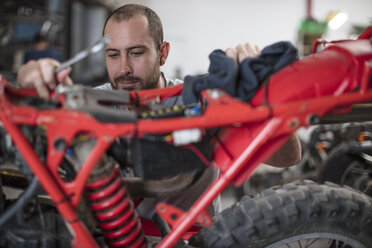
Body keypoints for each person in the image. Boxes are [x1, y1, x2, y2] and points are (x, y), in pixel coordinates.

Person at [17, 4, 301, 219]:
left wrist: (260, 95)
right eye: (113, 55)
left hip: (191, 239)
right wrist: (30, 79)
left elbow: (289, 157)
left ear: (163, 53)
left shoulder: (200, 102)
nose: (124, 68)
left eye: (136, 53)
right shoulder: (92, 105)